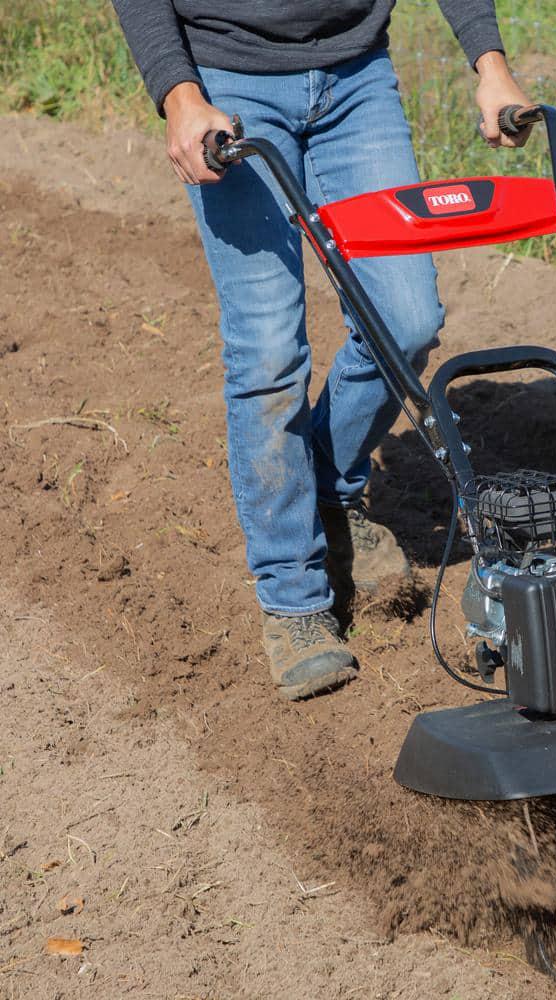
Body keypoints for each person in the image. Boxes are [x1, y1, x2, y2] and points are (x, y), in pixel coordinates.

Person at [111, 2, 532, 700]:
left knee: (406, 319)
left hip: (355, 77)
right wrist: (179, 96)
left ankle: (329, 499)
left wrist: (490, 65)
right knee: (268, 348)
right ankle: (294, 600)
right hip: (229, 81)